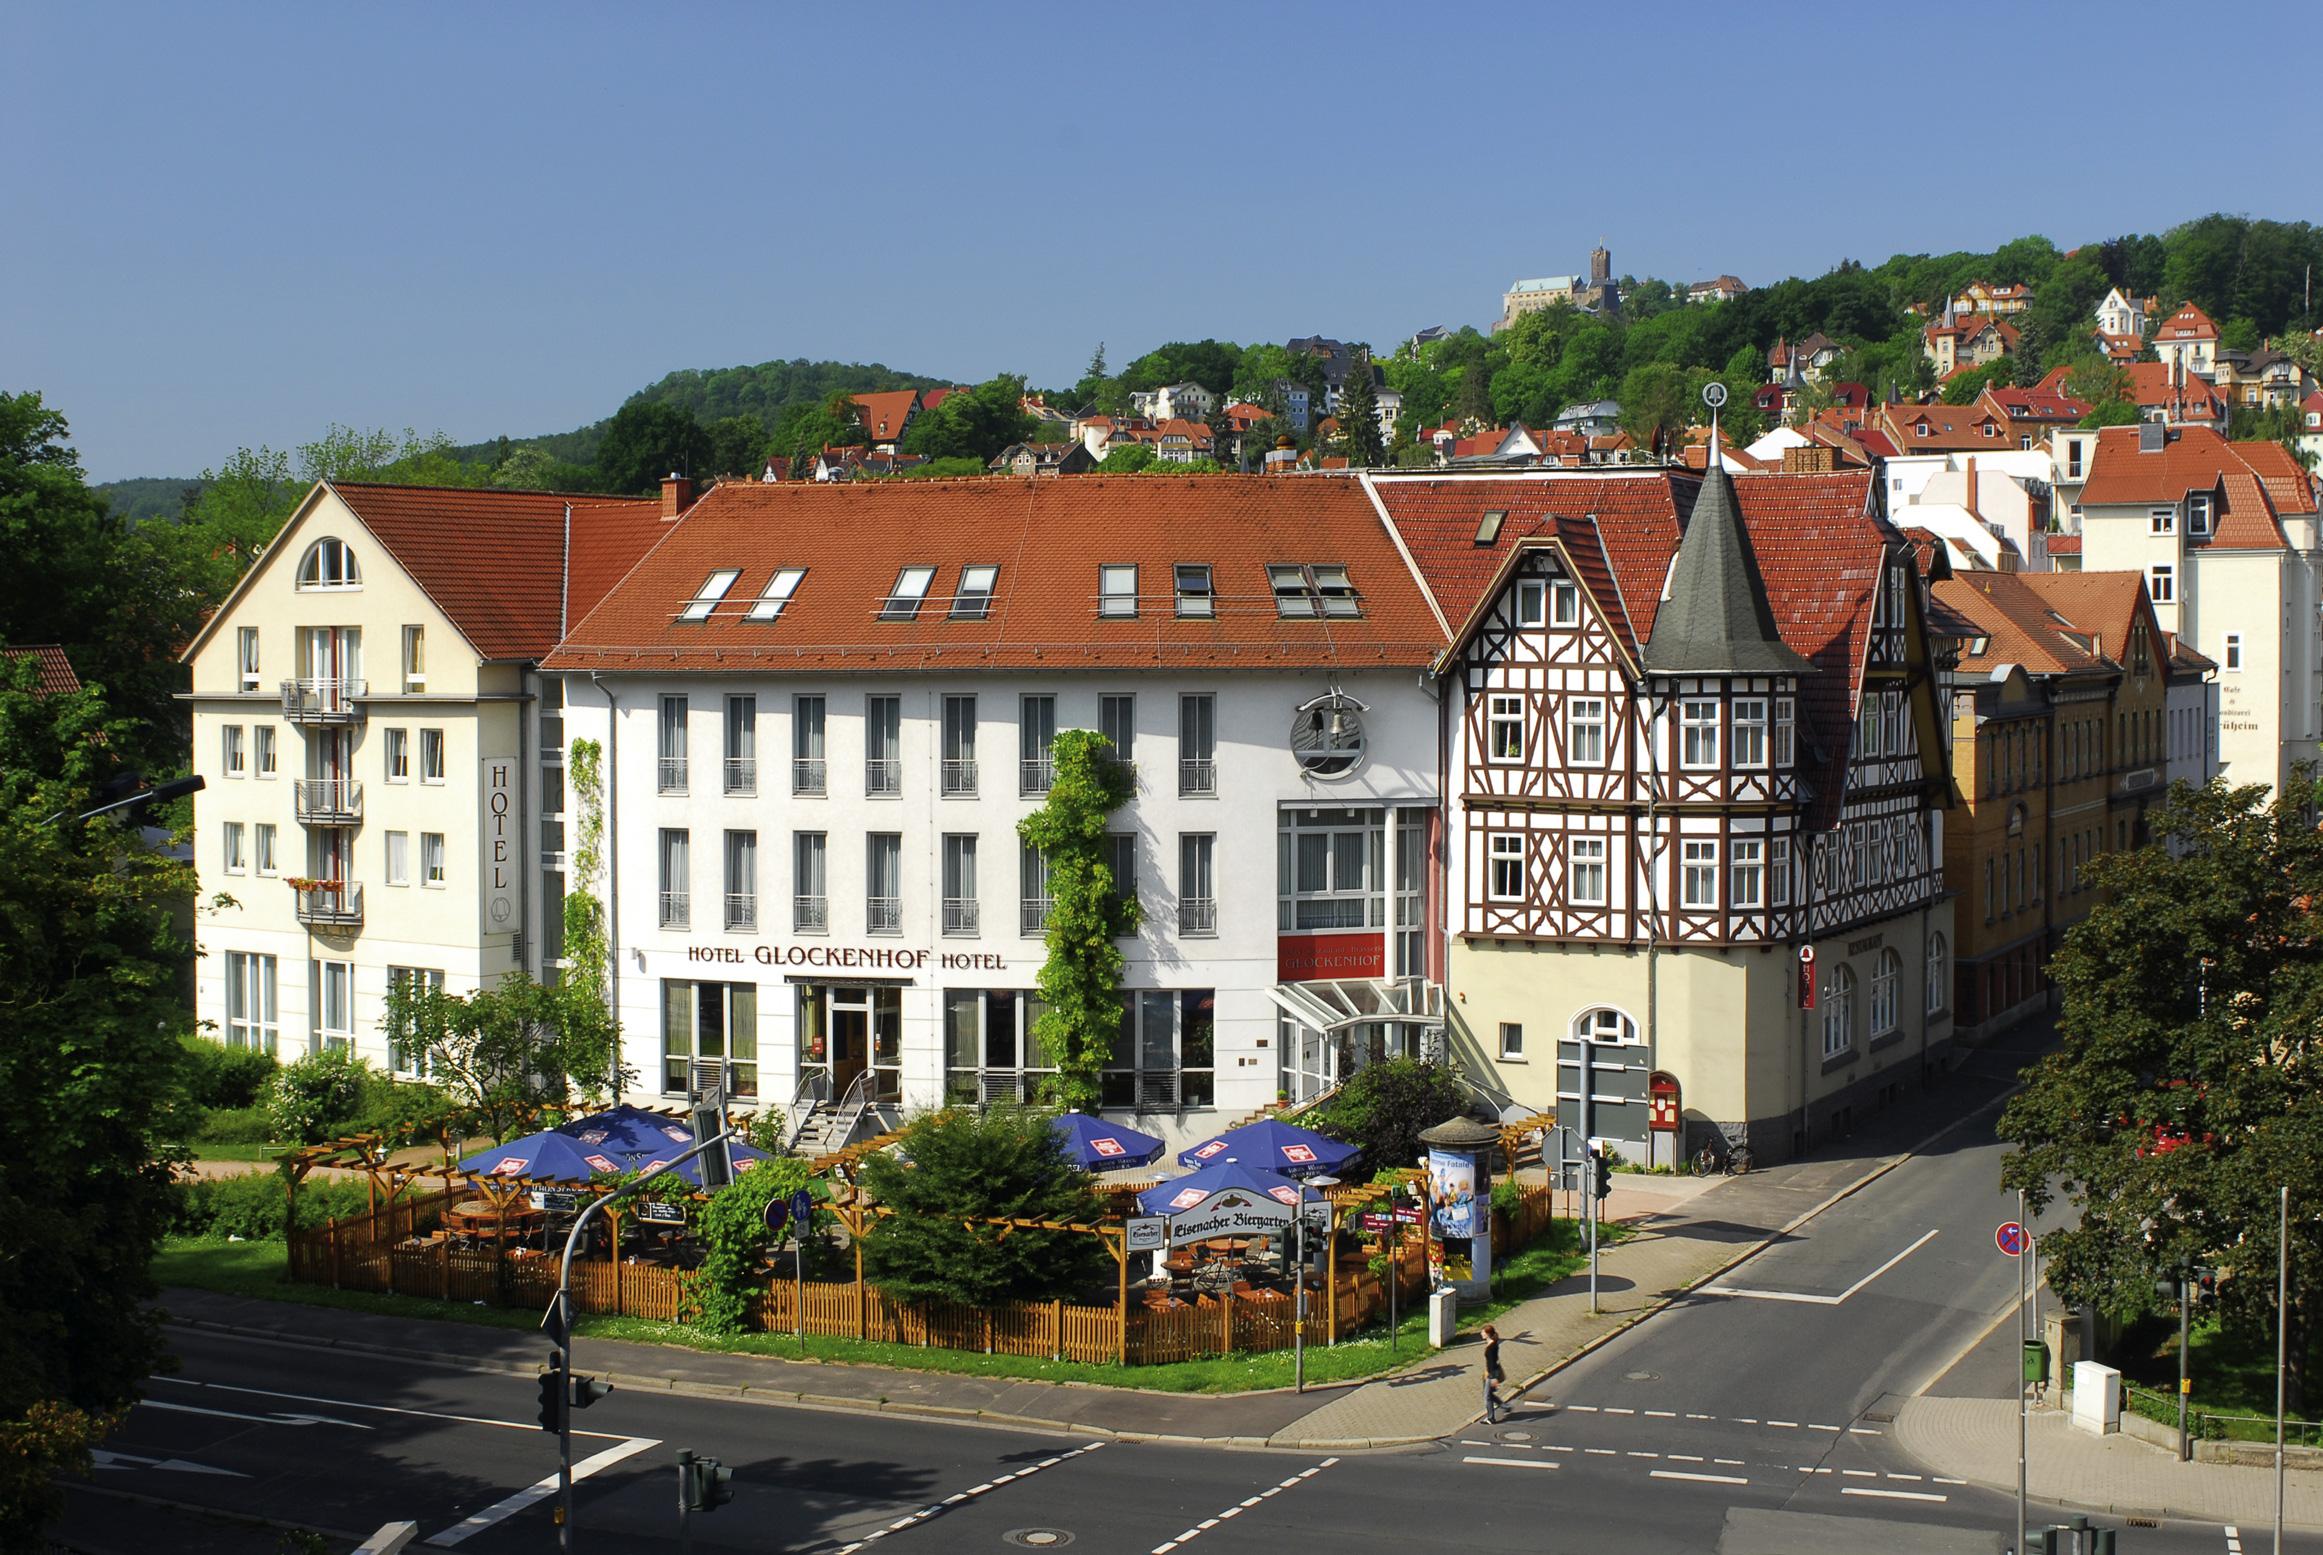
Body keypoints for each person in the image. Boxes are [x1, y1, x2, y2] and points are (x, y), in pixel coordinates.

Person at [1481, 1323, 1505, 1423]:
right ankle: (1505, 1406)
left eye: (1482, 1332)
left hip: (1491, 1375)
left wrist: (1494, 1378)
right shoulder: (1493, 1343)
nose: (1481, 1334)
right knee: (1489, 1394)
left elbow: (1492, 1363)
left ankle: (1491, 1418)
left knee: (1487, 1396)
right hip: (1490, 1373)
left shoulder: (1491, 1348)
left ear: (1487, 1334)